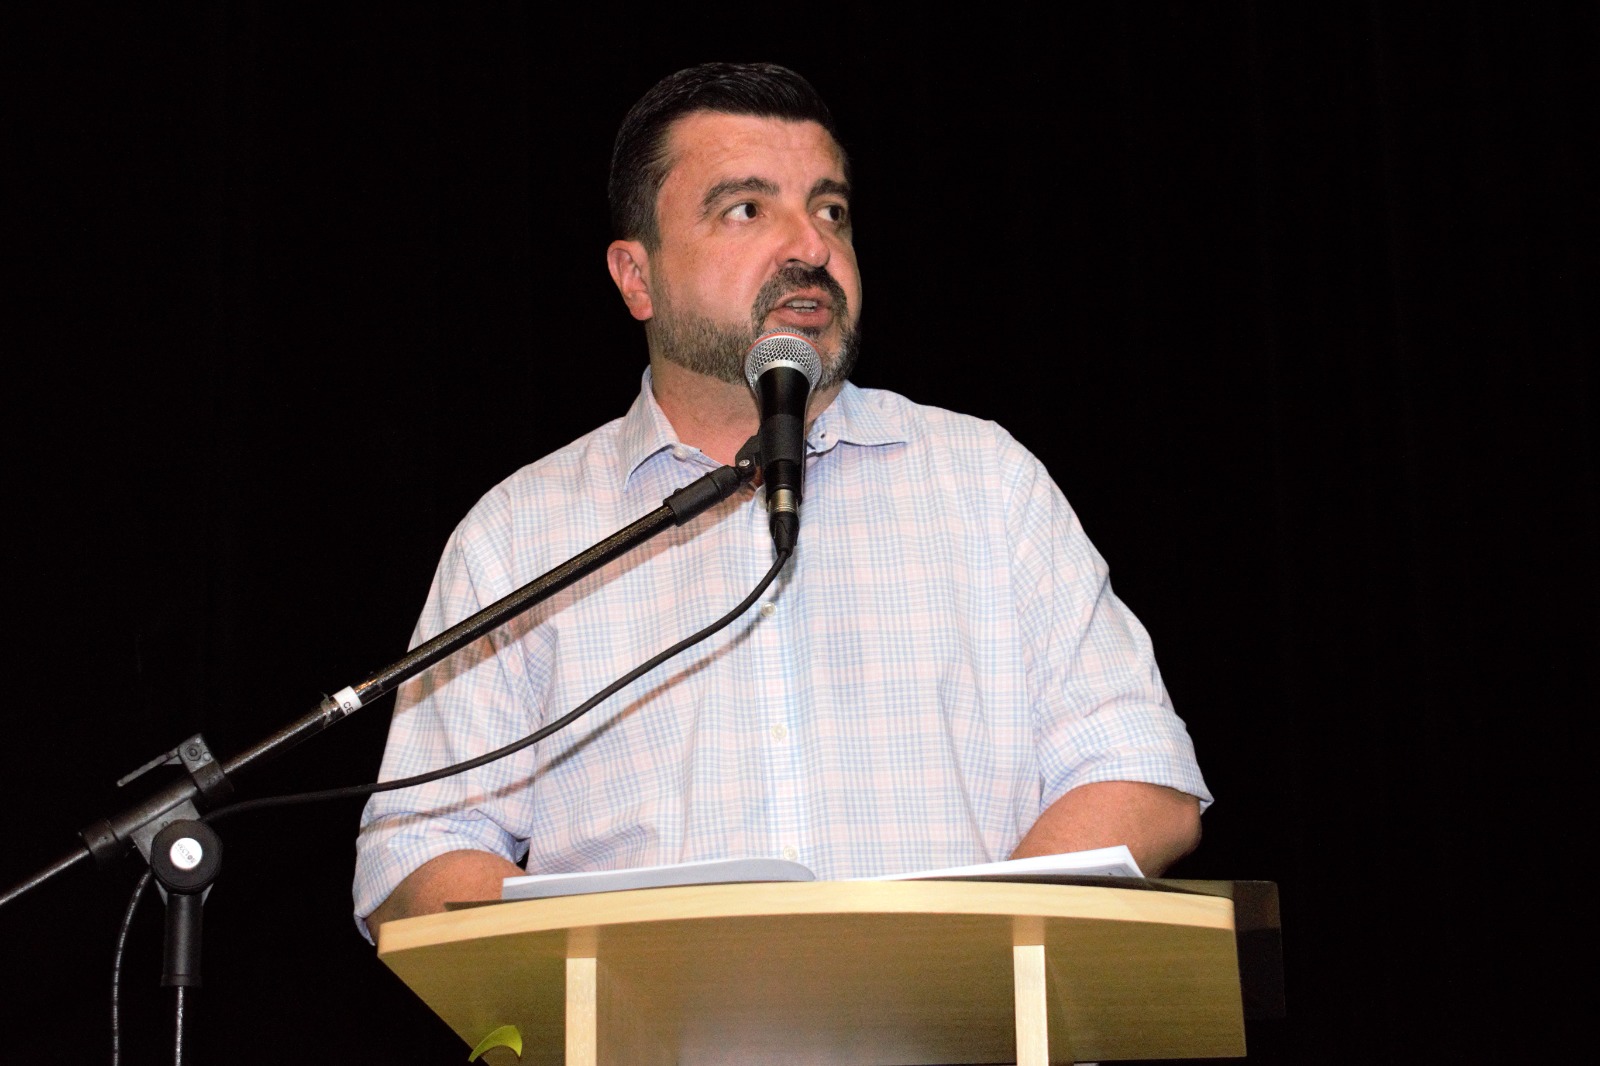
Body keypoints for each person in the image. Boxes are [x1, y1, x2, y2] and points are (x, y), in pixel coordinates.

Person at [354, 62, 1210, 940]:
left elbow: (1141, 776)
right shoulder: (520, 534)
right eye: (746, 210)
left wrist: (962, 967)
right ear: (636, 277)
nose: (811, 247)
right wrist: (625, 986)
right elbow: (417, 850)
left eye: (830, 210)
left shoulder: (986, 482)